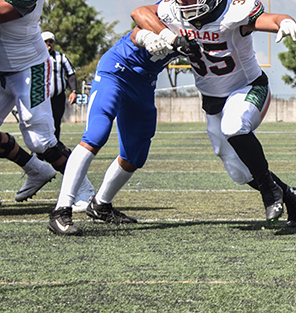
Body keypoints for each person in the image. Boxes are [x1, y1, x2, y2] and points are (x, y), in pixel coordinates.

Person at [130, 0, 296, 226]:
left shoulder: (234, 13)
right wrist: (168, 37)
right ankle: (289, 195)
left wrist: (286, 22)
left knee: (234, 125)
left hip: (247, 87)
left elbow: (270, 19)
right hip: (212, 98)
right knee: (238, 171)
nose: (181, 1)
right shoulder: (175, 12)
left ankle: (270, 194)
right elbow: (140, 13)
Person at [47, 27, 200, 235]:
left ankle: (100, 204)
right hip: (116, 71)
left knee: (136, 153)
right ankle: (60, 211)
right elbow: (139, 18)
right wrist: (147, 36)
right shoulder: (170, 8)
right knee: (96, 134)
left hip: (144, 82)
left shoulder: (208, 26)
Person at [0, 0, 93, 207]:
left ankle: (84, 189)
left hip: (30, 69)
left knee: (41, 141)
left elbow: (0, 12)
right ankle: (35, 169)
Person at [42, 31, 78, 141]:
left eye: (51, 42)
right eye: (46, 42)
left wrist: (74, 91)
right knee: (41, 122)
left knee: (56, 122)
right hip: (42, 97)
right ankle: (38, 149)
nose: (48, 44)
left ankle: (54, 146)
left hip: (58, 96)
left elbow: (71, 74)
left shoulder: (61, 57)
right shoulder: (35, 57)